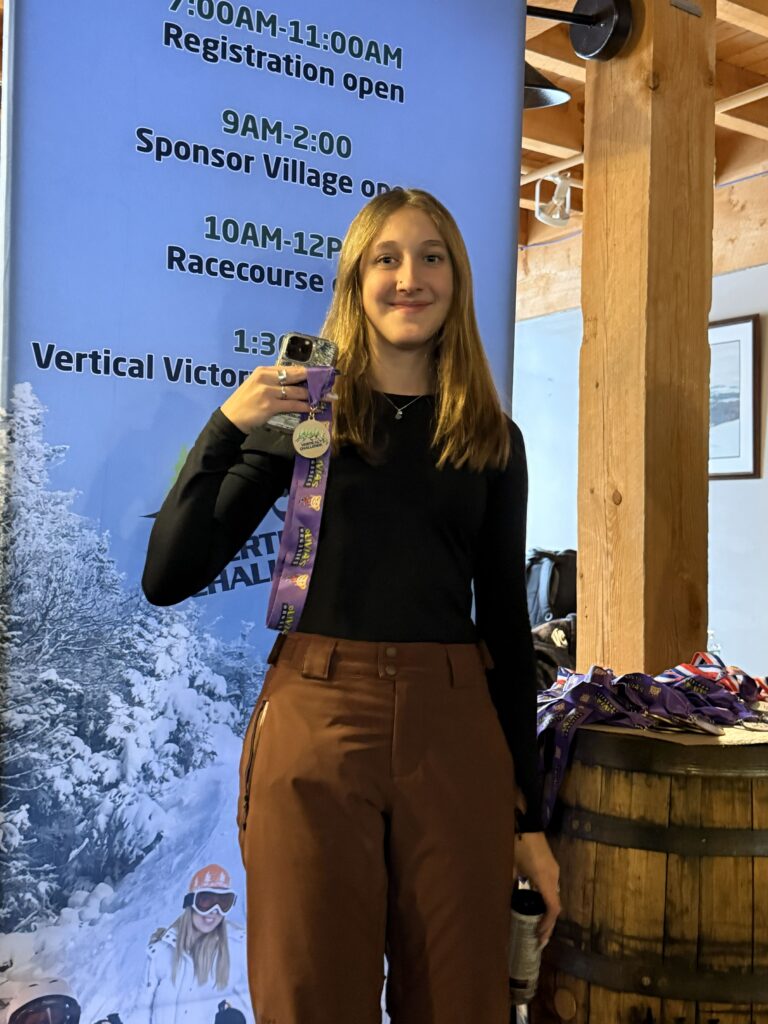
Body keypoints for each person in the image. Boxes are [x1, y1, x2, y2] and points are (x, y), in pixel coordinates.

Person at [142, 187, 561, 1024]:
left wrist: (528, 818)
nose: (410, 278)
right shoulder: (307, 419)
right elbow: (170, 574)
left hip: (455, 729)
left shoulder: (490, 437)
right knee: (310, 997)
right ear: (355, 281)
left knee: (461, 1001)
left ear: (457, 279)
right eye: (387, 258)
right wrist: (226, 426)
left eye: (432, 257)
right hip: (317, 718)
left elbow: (506, 628)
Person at [136, 864, 251, 1023]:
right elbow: (141, 1013)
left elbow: (262, 1007)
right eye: (206, 900)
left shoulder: (240, 949)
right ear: (190, 901)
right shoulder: (161, 952)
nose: (214, 911)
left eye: (223, 902)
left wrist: (239, 1017)